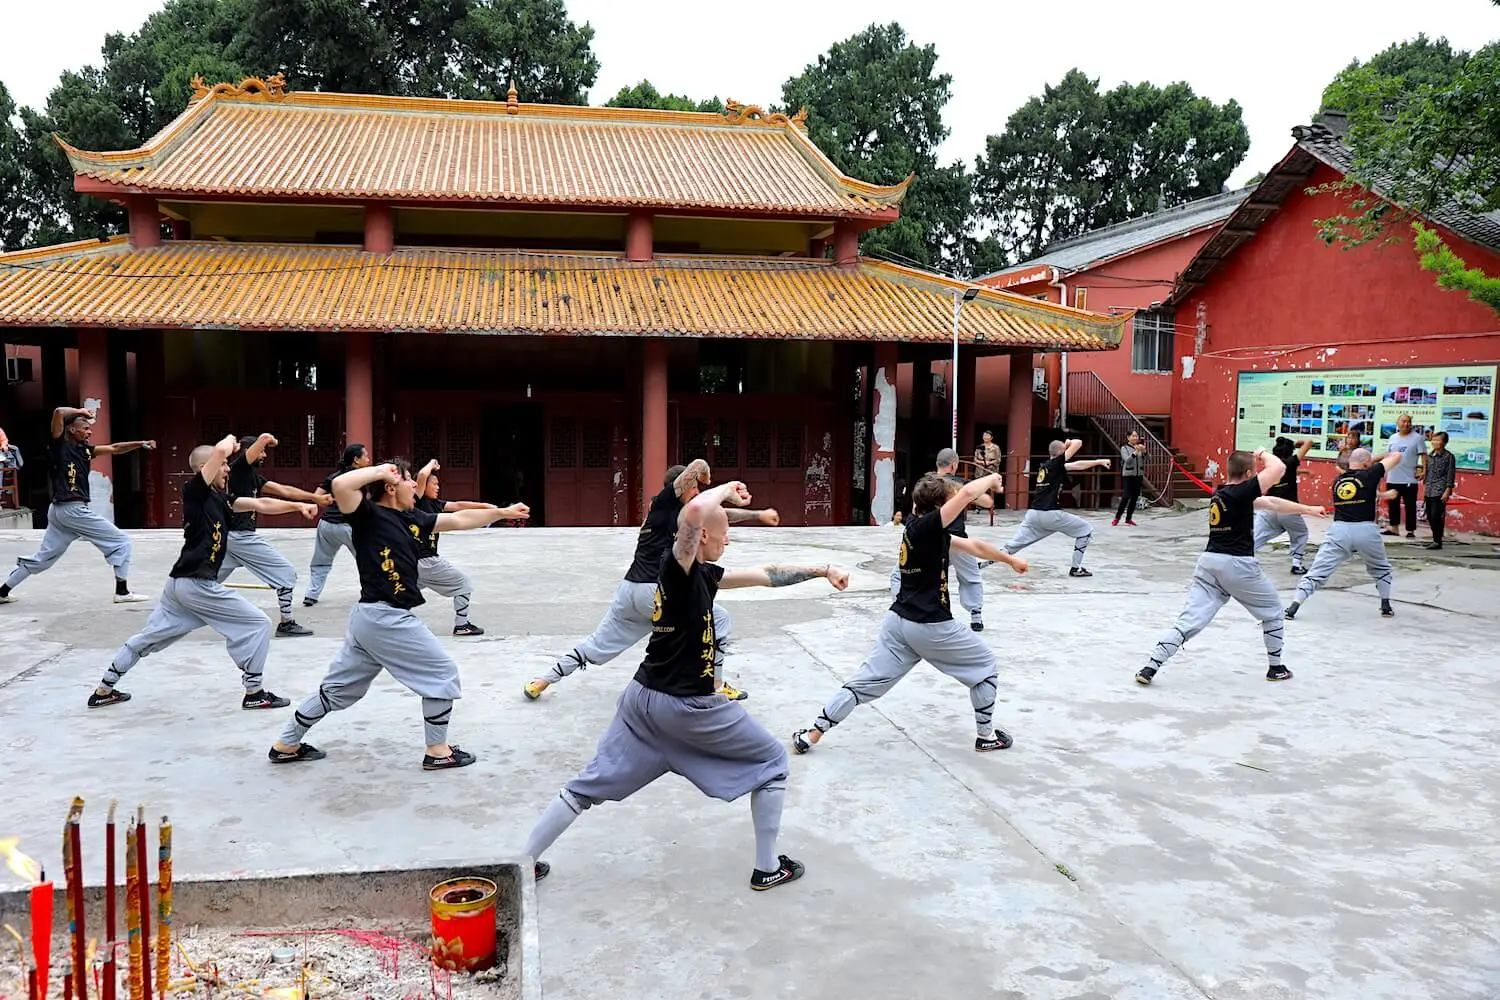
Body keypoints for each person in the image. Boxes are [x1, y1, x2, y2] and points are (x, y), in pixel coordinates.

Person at [520, 479, 850, 891]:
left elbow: (767, 574)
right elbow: (693, 514)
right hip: (685, 708)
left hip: (641, 700)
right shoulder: (678, 568)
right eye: (725, 533)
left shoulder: (701, 575)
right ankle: (767, 867)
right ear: (703, 536)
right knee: (773, 762)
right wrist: (725, 488)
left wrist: (823, 570)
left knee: (584, 788)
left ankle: (523, 861)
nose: (729, 541)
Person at [268, 459, 530, 769]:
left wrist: (502, 513)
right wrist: (381, 471)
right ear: (391, 488)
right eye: (408, 481)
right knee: (442, 674)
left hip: (370, 619)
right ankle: (438, 751)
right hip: (386, 618)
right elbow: (340, 485)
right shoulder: (367, 515)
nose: (415, 486)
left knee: (338, 691)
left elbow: (459, 519)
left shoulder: (412, 518)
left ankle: (286, 744)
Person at [794, 471, 1027, 755]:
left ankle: (812, 734)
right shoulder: (929, 526)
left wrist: (1009, 560)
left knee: (864, 683)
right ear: (939, 507)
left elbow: (974, 546)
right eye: (951, 501)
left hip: (899, 623)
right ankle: (987, 736)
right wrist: (992, 478)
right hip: (930, 625)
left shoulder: (917, 526)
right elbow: (967, 494)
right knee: (986, 669)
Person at [87, 435, 319, 709]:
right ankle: (254, 693)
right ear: (205, 468)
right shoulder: (195, 492)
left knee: (150, 637)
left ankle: (104, 689)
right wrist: (231, 443)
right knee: (258, 624)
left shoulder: (221, 500)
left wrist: (298, 505)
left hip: (180, 585)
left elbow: (260, 504)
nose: (228, 469)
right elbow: (220, 450)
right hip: (197, 585)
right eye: (224, 465)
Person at [523, 460, 776, 701]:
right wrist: (704, 471)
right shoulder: (665, 501)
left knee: (598, 642)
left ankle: (543, 680)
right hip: (654, 592)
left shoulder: (672, 513)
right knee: (718, 618)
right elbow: (695, 474)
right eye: (696, 488)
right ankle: (715, 684)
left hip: (630, 591)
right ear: (683, 486)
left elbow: (721, 515)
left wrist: (757, 515)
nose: (699, 494)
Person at [1135, 448, 1327, 687]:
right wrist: (1262, 453)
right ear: (1249, 474)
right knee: (1274, 613)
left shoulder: (1223, 493)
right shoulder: (1241, 491)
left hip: (1209, 564)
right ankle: (1276, 668)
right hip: (1237, 564)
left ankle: (1151, 666)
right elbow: (1279, 468)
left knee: (1189, 621)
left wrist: (1307, 509)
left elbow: (1271, 502)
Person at [0, 406, 154, 605]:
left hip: (60, 512)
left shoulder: (85, 451)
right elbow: (58, 412)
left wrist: (139, 444)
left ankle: (2, 592)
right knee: (121, 541)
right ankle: (122, 592)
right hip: (71, 509)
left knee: (43, 558)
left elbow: (115, 448)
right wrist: (80, 411)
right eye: (85, 428)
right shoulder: (60, 447)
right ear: (71, 429)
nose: (89, 432)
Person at [217, 433, 328, 637]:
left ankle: (179, 610)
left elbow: (283, 490)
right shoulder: (239, 468)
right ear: (248, 451)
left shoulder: (251, 475)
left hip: (230, 538)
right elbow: (262, 440)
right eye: (262, 452)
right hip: (241, 538)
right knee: (286, 575)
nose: (265, 455)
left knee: (205, 582)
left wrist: (314, 498)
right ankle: (287, 623)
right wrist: (268, 440)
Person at [1283, 447, 1402, 620]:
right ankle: (1385, 605)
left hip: (1339, 530)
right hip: (1366, 530)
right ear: (1367, 464)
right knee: (1381, 568)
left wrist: (1380, 489)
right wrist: (1375, 460)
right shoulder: (1371, 474)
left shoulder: (1339, 480)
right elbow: (1397, 455)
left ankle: (1294, 605)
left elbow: (1364, 492)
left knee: (1318, 570)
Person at [888, 448, 989, 631]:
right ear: (954, 464)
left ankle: (901, 606)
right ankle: (976, 615)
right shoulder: (959, 484)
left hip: (929, 537)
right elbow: (987, 502)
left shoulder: (925, 483)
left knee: (899, 574)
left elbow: (915, 511)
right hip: (957, 538)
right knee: (970, 576)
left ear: (937, 464)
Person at [997, 439, 1110, 577]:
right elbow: (1078, 442)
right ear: (1061, 453)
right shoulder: (1056, 463)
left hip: (1033, 514)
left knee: (1014, 545)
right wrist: (1068, 443)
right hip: (1051, 513)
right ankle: (1076, 568)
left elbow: (1077, 465)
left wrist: (1098, 462)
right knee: (1085, 530)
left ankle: (988, 560)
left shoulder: (1046, 466)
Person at [412, 458, 495, 636]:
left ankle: (383, 619)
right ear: (423, 486)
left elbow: (458, 505)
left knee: (400, 593)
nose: (438, 487)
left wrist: (485, 507)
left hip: (412, 562)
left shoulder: (436, 504)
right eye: (434, 484)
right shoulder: (417, 502)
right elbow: (422, 475)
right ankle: (462, 625)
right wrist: (432, 463)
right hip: (427, 560)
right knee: (464, 585)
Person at [302, 443, 371, 606]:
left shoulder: (334, 476)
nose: (368, 459)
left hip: (327, 525)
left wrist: (329, 503)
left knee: (321, 561)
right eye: (366, 456)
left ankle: (311, 595)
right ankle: (370, 592)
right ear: (356, 460)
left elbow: (317, 496)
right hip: (350, 527)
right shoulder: (362, 477)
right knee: (367, 561)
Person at [1253, 437, 1314, 575]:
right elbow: (1309, 442)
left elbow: (1288, 472)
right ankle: (1296, 564)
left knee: (1259, 535)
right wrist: (1296, 444)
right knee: (1300, 534)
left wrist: (1304, 471)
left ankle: (1242, 556)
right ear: (1290, 452)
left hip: (1268, 507)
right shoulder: (1291, 462)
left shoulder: (1272, 467)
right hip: (1287, 507)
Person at [1382, 414, 1426, 538]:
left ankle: (1410, 531)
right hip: (1392, 477)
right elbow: (1387, 455)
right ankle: (1394, 528)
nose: (1406, 424)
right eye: (1403, 421)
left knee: (1410, 506)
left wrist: (1424, 471)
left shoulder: (1417, 438)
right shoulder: (1392, 437)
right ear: (1398, 423)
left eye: (1409, 421)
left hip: (1409, 479)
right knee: (1393, 505)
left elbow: (1423, 455)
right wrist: (1384, 471)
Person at [1422, 431, 1457, 550]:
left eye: (1438, 440)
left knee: (1436, 516)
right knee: (1430, 516)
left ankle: (1437, 541)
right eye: (1433, 440)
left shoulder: (1449, 457)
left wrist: (1448, 490)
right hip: (1429, 489)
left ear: (1444, 442)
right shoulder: (1430, 455)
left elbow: (1450, 474)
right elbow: (1427, 473)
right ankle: (1435, 539)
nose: (1435, 442)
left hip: (1440, 490)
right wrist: (1425, 487)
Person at [1112, 431, 1147, 526]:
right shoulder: (1124, 448)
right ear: (1128, 437)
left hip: (1138, 475)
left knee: (1134, 497)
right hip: (1128, 475)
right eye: (1133, 436)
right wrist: (1135, 452)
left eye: (1136, 436)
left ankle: (1128, 518)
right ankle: (1117, 518)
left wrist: (1144, 452)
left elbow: (1148, 459)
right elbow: (1127, 460)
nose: (1135, 438)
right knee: (1126, 496)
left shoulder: (1140, 447)